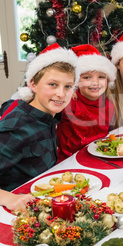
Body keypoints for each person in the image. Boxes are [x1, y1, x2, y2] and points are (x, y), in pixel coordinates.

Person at [0, 43, 79, 211]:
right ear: (33, 84)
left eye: (68, 86)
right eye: (52, 84)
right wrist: (8, 198)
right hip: (16, 209)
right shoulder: (15, 128)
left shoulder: (50, 115)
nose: (61, 94)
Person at [56, 44, 116, 162]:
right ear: (76, 81)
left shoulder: (109, 105)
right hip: (69, 162)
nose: (95, 82)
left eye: (101, 77)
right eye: (87, 77)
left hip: (100, 158)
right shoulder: (69, 102)